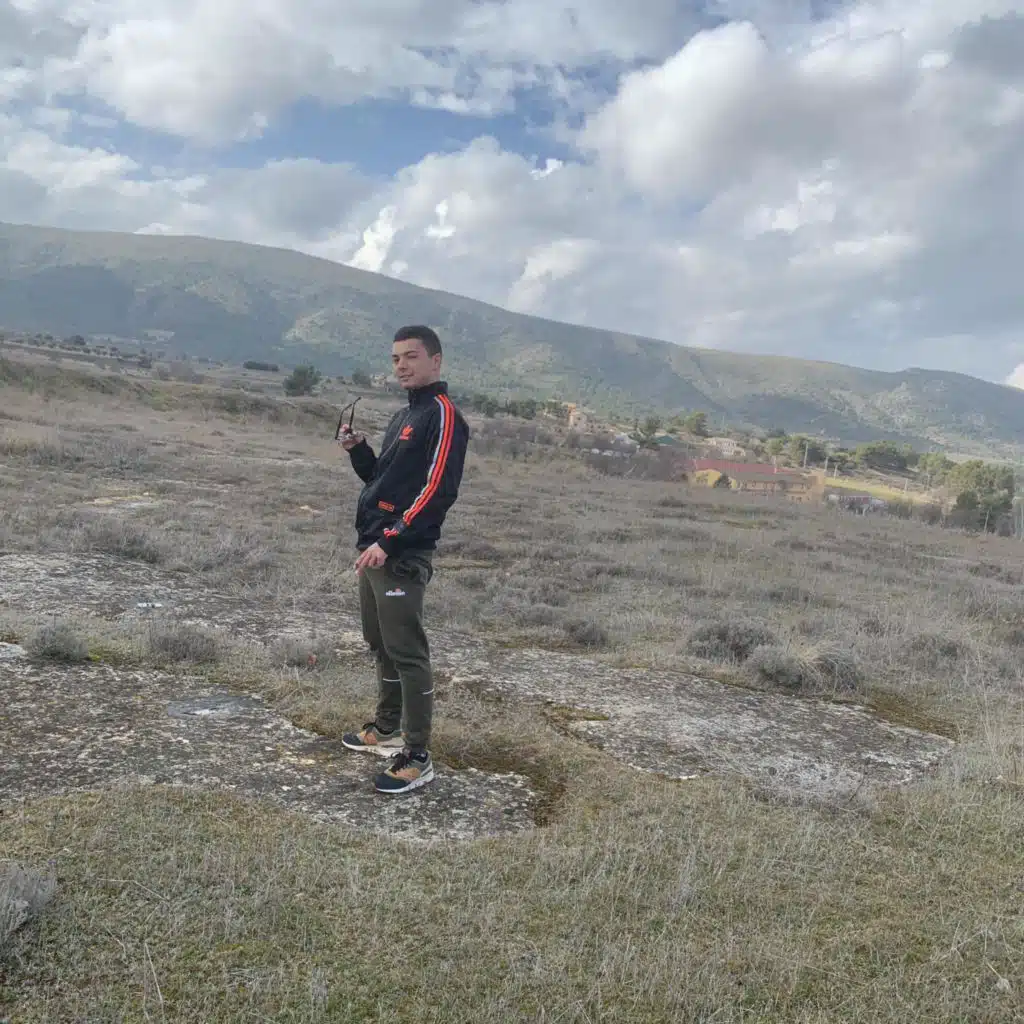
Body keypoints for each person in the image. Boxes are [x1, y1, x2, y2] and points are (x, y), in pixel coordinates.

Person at [336, 325, 470, 794]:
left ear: (436, 360)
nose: (401, 366)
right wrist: (359, 451)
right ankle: (387, 727)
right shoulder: (405, 415)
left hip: (401, 552)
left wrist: (391, 540)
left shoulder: (444, 415)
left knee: (408, 652)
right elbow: (381, 479)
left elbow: (437, 491)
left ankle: (417, 754)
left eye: (411, 356)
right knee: (380, 641)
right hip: (374, 547)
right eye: (395, 358)